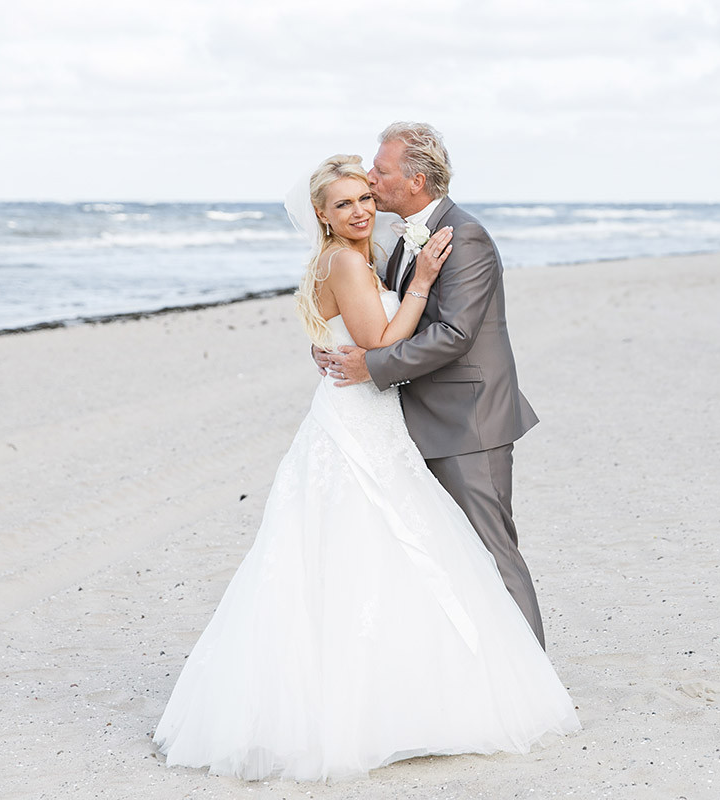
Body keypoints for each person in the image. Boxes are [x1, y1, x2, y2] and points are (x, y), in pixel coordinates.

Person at [152, 154, 579, 782]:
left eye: (365, 196)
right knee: (372, 542)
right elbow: (380, 342)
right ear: (322, 217)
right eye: (345, 203)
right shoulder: (350, 259)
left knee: (385, 544)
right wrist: (423, 285)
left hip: (373, 413)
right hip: (358, 418)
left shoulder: (362, 253)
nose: (362, 208)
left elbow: (364, 332)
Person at [321, 122, 547, 647]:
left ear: (416, 180)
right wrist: (330, 343)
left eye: (380, 171)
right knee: (453, 557)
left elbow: (455, 334)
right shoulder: (402, 235)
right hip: (421, 419)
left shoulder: (463, 234)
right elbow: (382, 316)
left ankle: (532, 681)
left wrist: (370, 369)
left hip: (469, 421)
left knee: (493, 553)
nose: (370, 180)